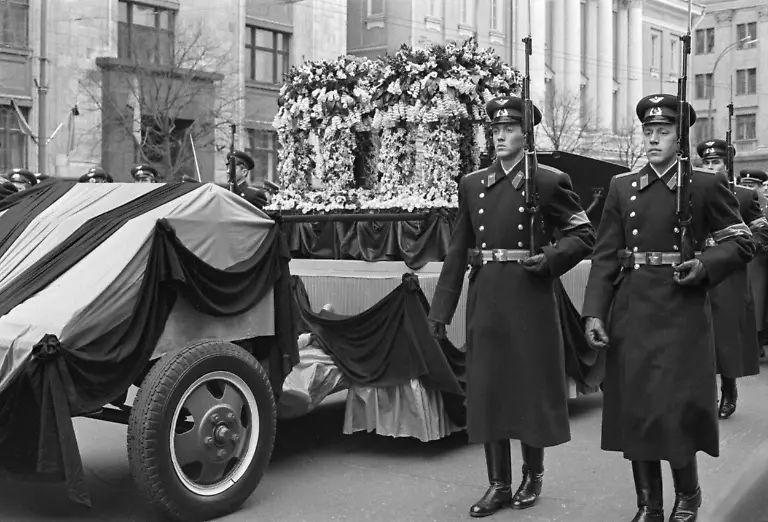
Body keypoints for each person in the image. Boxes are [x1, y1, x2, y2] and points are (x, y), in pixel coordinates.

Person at [582, 93, 756, 522]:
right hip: (632, 309)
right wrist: (594, 312)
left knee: (674, 407)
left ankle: (688, 495)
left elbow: (742, 241)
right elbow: (606, 256)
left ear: (679, 139)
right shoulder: (624, 187)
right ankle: (649, 504)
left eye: (662, 132)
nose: (653, 139)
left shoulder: (706, 185)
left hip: (681, 310)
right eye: (648, 131)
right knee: (635, 407)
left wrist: (705, 263)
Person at [428, 96, 595, 518]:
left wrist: (553, 258)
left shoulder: (548, 181)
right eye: (495, 129)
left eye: (509, 129)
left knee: (528, 389)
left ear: (526, 134)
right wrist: (440, 311)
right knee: (489, 389)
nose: (500, 136)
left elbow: (584, 235)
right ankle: (498, 484)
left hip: (530, 295)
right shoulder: (472, 184)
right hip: (487, 298)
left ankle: (532, 475)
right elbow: (458, 248)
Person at [696, 139, 768, 419]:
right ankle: (704, 392)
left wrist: (744, 247)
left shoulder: (743, 196)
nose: (711, 167)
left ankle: (729, 387)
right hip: (700, 267)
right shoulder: (694, 191)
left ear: (728, 166)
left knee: (725, 334)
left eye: (716, 162)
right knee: (699, 332)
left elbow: (761, 231)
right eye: (707, 162)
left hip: (729, 272)